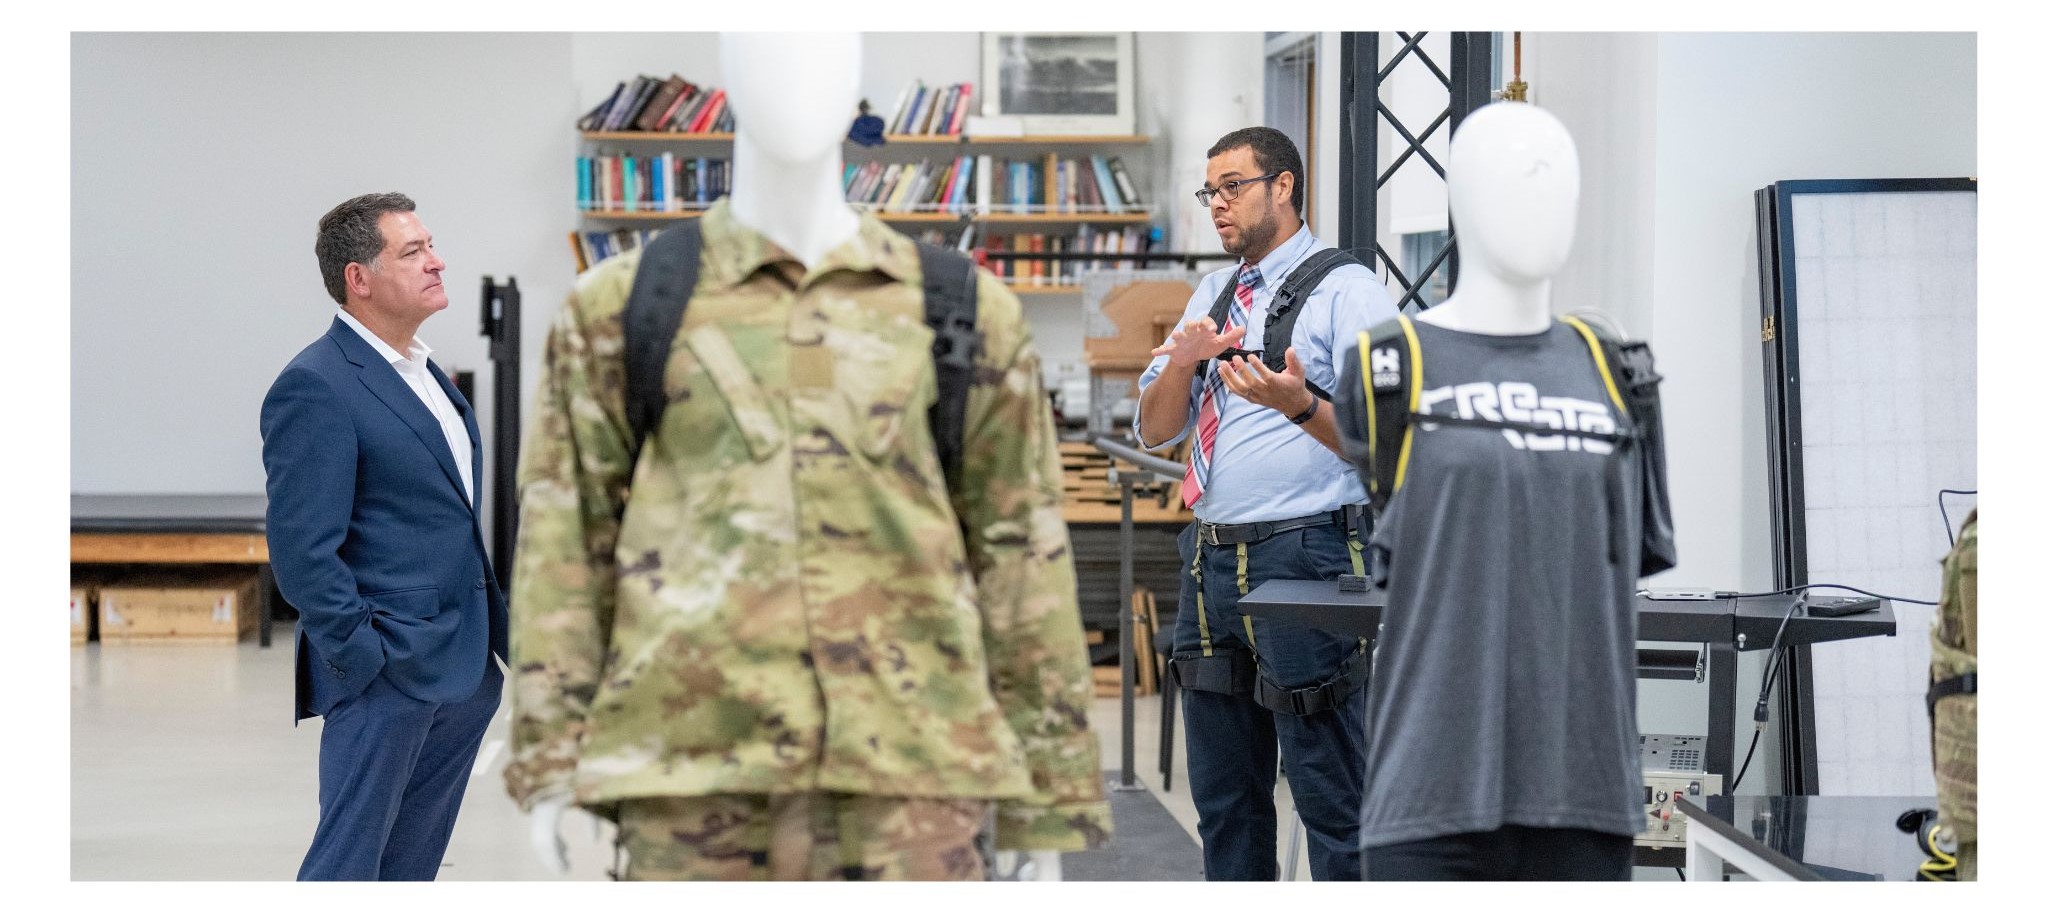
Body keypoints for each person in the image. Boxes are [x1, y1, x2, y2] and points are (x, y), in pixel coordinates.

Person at [505, 32, 1107, 881]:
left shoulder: (961, 310)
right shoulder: (625, 305)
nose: (796, 67)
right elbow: (565, 544)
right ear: (726, 73)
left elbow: (1021, 553)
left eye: (823, 44)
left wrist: (1045, 800)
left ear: (859, 77)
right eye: (767, 41)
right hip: (691, 785)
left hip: (917, 786)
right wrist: (555, 762)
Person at [1331, 102, 1657, 881]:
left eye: (1558, 184)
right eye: (1516, 182)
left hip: (1585, 791)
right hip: (1429, 792)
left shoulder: (1618, 370)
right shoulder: (1389, 364)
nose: (1542, 203)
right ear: (1463, 203)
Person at [1135, 126, 1398, 881]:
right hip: (1208, 563)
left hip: (1305, 560)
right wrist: (1183, 365)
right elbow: (1157, 430)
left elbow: (1390, 441)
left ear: (1283, 186)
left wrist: (1300, 404)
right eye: (1209, 191)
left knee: (1331, 795)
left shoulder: (1350, 291)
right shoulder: (1211, 295)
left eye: (1232, 187)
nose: (1217, 205)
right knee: (1224, 800)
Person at [260, 192, 507, 880]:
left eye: (430, 244)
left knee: (408, 869)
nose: (437, 261)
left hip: (461, 666)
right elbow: (304, 549)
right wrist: (365, 656)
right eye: (413, 251)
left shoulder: (427, 374)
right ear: (358, 279)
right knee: (346, 867)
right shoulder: (316, 386)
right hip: (386, 674)